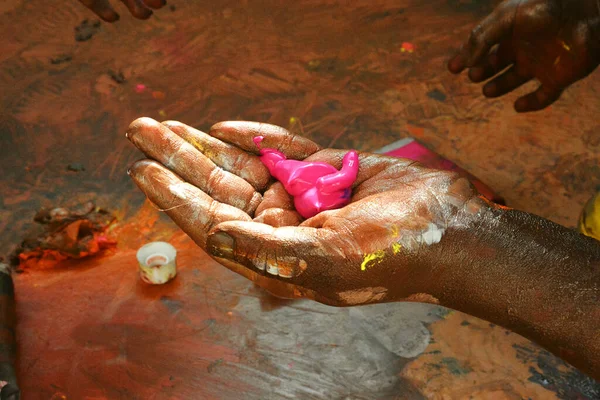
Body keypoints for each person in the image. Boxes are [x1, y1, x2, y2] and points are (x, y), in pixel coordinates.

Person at [92, 0, 596, 379]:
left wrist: (456, 234)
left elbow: (334, 174)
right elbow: (323, 174)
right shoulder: (305, 179)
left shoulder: (318, 181)